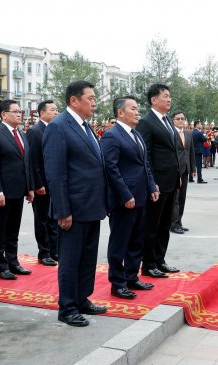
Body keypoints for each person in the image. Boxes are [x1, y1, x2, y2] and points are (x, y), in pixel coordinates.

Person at [43, 80, 108, 327]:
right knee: (70, 259)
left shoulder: (85, 126)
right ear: (74, 100)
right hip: (72, 209)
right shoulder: (59, 127)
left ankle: (82, 298)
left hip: (92, 205)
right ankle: (67, 307)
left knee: (87, 257)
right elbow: (56, 172)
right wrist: (62, 210)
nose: (94, 102)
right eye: (89, 98)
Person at [101, 96, 159, 300]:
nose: (137, 112)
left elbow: (145, 164)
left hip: (142, 196)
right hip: (124, 199)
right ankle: (117, 283)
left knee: (136, 240)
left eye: (137, 108)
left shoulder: (136, 134)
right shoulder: (111, 136)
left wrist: (152, 185)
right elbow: (111, 168)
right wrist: (125, 194)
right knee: (120, 241)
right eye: (133, 108)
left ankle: (131, 276)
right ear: (120, 113)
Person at [0, 100, 34, 280]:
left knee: (13, 228)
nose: (19, 114)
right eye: (15, 111)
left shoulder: (21, 133)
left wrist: (30, 188)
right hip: (3, 192)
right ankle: (1, 266)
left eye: (20, 111)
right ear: (3, 114)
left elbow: (26, 163)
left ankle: (13, 262)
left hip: (19, 190)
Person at [135, 83, 181, 278]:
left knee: (164, 224)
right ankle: (148, 263)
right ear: (154, 100)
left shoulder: (167, 121)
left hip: (171, 180)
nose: (169, 99)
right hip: (157, 183)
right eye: (165, 96)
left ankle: (160, 260)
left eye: (169, 96)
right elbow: (146, 154)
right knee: (152, 225)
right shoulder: (146, 122)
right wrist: (151, 181)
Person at [27, 100, 59, 266]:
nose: (56, 112)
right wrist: (37, 184)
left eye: (57, 110)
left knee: (54, 219)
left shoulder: (55, 129)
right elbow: (33, 161)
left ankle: (54, 251)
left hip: (55, 183)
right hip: (42, 184)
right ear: (42, 113)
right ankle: (44, 252)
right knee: (42, 219)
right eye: (52, 110)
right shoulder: (35, 131)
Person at [170, 111, 196, 234]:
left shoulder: (188, 133)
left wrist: (193, 169)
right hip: (175, 170)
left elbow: (191, 152)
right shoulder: (170, 133)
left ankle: (179, 221)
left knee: (182, 197)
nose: (181, 121)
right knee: (175, 197)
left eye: (183, 118)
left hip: (186, 169)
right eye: (178, 119)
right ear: (173, 120)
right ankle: (173, 224)